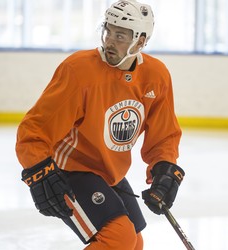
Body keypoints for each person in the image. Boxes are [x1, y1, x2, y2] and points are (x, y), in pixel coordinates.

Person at [15, 0, 185, 249]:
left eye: (120, 35)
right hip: (71, 169)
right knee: (119, 237)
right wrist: (39, 171)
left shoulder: (156, 76)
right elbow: (35, 129)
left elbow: (164, 134)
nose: (109, 41)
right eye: (108, 31)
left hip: (109, 172)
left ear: (140, 41)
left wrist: (164, 169)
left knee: (135, 242)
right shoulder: (79, 70)